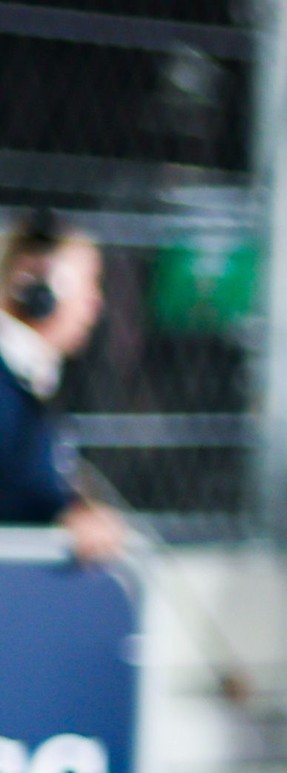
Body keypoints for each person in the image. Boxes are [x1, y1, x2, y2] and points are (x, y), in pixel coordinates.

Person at [0, 213, 126, 565]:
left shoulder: (28, 380)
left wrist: (75, 509)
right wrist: (63, 518)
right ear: (37, 290)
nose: (95, 304)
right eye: (88, 283)